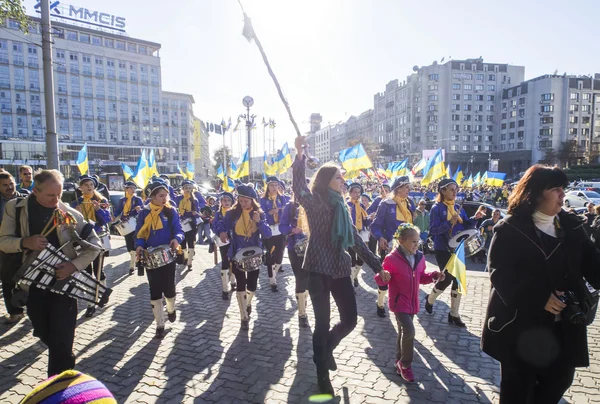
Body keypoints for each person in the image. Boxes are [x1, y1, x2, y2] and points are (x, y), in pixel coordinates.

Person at [481, 165, 600, 404]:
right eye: (555, 189)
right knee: (518, 390)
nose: (562, 195)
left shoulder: (571, 226)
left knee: (559, 381)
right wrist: (540, 297)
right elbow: (500, 274)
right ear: (534, 193)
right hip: (523, 328)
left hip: (565, 326)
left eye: (562, 189)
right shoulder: (510, 229)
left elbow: (593, 266)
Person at [293, 135, 389, 396]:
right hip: (317, 269)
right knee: (322, 324)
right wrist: (299, 154)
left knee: (349, 320)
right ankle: (321, 374)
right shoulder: (316, 201)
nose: (344, 182)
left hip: (339, 268)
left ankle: (326, 350)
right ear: (327, 181)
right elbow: (299, 186)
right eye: (339, 178)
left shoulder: (342, 207)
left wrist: (377, 265)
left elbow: (354, 239)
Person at [0, 169, 102, 377]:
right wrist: (24, 242)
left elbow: (94, 245)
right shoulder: (16, 209)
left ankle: (59, 385)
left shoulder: (71, 214)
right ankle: (62, 355)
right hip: (33, 285)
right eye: (50, 196)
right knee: (43, 331)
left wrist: (73, 266)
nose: (56, 200)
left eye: (59, 194)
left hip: (63, 286)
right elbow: (3, 242)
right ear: (35, 191)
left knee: (62, 340)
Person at [375, 223, 444, 383]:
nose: (416, 244)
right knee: (409, 331)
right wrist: (382, 277)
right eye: (413, 241)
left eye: (417, 241)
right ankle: (406, 365)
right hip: (399, 303)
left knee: (403, 332)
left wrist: (434, 275)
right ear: (401, 241)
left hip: (413, 303)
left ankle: (398, 361)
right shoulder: (391, 259)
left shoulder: (420, 257)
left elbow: (421, 277)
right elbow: (381, 277)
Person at [424, 178, 484, 327]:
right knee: (446, 279)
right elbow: (433, 230)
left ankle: (454, 314)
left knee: (458, 280)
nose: (455, 192)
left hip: (458, 248)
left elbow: (466, 225)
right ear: (442, 191)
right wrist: (449, 223)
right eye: (451, 189)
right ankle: (430, 299)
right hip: (443, 248)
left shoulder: (458, 207)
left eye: (456, 189)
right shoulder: (436, 208)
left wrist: (474, 219)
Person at [216, 184, 271, 330]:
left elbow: (268, 233)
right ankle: (243, 317)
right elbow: (221, 225)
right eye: (240, 200)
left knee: (252, 285)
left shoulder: (259, 213)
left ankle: (247, 303)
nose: (242, 203)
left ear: (252, 200)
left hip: (255, 253)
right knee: (240, 283)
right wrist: (221, 232)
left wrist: (259, 222)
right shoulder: (232, 213)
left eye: (245, 201)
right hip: (237, 253)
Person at [135, 180, 184, 339]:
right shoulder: (143, 213)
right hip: (150, 256)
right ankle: (159, 325)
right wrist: (139, 246)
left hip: (168, 254)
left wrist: (177, 239)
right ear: (152, 197)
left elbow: (179, 230)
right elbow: (139, 234)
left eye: (166, 195)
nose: (165, 199)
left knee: (169, 288)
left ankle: (171, 309)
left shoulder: (171, 212)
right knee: (154, 290)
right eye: (161, 196)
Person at [371, 176, 415, 317]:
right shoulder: (386, 204)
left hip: (408, 249)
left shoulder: (409, 204)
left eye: (409, 187)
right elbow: (375, 226)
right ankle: (380, 302)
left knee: (404, 279)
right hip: (390, 247)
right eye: (406, 187)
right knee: (386, 277)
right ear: (398, 188)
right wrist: (380, 237)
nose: (409, 190)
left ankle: (400, 306)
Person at [70, 175, 112, 318]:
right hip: (83, 241)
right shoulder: (76, 202)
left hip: (98, 239)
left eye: (91, 185)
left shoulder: (101, 201)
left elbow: (107, 220)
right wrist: (76, 214)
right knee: (87, 272)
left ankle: (103, 293)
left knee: (98, 270)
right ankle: (90, 303)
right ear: (80, 188)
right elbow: (70, 224)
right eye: (85, 185)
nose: (89, 187)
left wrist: (98, 210)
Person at [0, 171, 28, 324]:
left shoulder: (25, 197)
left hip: (27, 245)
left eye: (11, 183)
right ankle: (15, 312)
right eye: (5, 185)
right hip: (5, 248)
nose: (9, 187)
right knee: (8, 280)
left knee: (30, 279)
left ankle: (33, 309)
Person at [279, 197, 310, 327]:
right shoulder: (289, 207)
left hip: (311, 247)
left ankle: (303, 301)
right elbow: (282, 226)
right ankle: (302, 313)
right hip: (294, 248)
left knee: (308, 278)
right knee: (300, 277)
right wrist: (292, 229)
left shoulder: (313, 204)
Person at [260, 176, 287, 292]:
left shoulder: (282, 198)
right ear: (268, 186)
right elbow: (261, 214)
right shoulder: (263, 199)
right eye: (272, 185)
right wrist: (269, 212)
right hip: (269, 229)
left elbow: (287, 211)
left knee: (280, 256)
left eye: (276, 185)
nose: (274, 187)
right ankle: (272, 280)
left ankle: (274, 274)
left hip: (280, 229)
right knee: (270, 255)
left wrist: (280, 210)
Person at [113, 181, 144, 275]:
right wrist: (114, 216)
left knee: (135, 244)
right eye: (130, 188)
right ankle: (135, 259)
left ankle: (132, 266)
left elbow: (142, 210)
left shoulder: (137, 199)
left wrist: (139, 209)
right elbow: (118, 210)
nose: (132, 190)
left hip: (135, 223)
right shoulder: (122, 200)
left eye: (134, 188)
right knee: (129, 246)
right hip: (126, 223)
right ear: (126, 189)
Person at [212, 192, 237, 299]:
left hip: (234, 240)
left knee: (234, 261)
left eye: (228, 201)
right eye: (224, 200)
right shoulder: (218, 214)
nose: (226, 203)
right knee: (225, 262)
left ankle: (233, 281)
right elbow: (214, 226)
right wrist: (220, 232)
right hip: (224, 241)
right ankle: (225, 289)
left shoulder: (235, 212)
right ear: (221, 202)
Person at [346, 183, 371, 288]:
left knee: (361, 259)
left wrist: (370, 219)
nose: (357, 194)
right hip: (350, 234)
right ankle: (351, 283)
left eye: (359, 192)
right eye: (355, 192)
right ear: (350, 193)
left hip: (361, 233)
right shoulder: (347, 204)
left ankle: (355, 276)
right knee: (351, 258)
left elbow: (366, 222)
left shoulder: (360, 205)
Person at [175, 180, 200, 271]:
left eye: (189, 188)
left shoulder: (194, 200)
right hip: (181, 223)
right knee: (182, 243)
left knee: (191, 243)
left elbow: (197, 213)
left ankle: (189, 262)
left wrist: (194, 213)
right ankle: (185, 258)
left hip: (191, 223)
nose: (188, 189)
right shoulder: (178, 199)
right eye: (186, 188)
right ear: (182, 189)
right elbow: (175, 209)